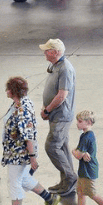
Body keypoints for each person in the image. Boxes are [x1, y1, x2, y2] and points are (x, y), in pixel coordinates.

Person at [0, 76, 60, 205]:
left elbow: (28, 134)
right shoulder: (19, 103)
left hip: (19, 154)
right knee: (24, 179)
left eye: (8, 89)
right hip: (17, 151)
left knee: (14, 181)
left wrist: (32, 157)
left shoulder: (22, 108)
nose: (6, 91)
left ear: (13, 91)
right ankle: (50, 199)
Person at [39, 37, 77, 196]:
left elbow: (62, 95)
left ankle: (70, 178)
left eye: (47, 50)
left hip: (61, 115)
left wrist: (47, 110)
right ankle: (65, 182)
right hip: (56, 114)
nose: (45, 53)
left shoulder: (65, 69)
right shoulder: (56, 65)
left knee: (52, 146)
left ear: (56, 52)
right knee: (61, 146)